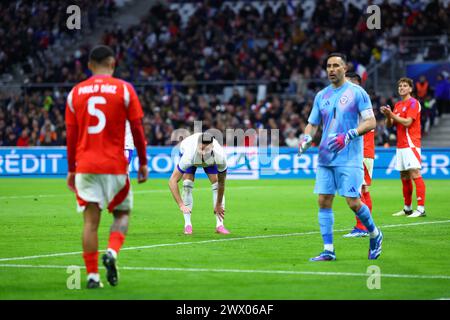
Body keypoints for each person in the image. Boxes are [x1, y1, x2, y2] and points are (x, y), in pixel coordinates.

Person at [65, 45, 148, 289]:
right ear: (113, 64)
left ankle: (92, 277)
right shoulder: (124, 89)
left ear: (89, 66)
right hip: (115, 165)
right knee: (121, 214)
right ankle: (112, 251)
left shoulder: (75, 93)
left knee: (90, 223)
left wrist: (71, 169)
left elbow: (71, 136)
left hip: (86, 166)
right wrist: (143, 162)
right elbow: (137, 128)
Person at [298, 53, 383, 261]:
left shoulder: (357, 93)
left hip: (350, 157)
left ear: (345, 68)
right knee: (323, 200)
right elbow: (313, 123)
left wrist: (350, 134)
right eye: (328, 66)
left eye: (336, 65)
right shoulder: (321, 96)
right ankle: (328, 250)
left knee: (353, 202)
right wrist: (306, 138)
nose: (331, 69)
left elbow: (371, 122)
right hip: (326, 157)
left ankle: (375, 233)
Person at [380, 77, 426, 218]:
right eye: (400, 86)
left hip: (411, 143)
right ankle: (407, 208)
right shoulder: (398, 105)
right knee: (404, 175)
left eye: (405, 86)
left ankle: (421, 208)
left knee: (415, 174)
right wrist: (388, 116)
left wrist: (391, 114)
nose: (401, 88)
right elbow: (390, 125)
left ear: (411, 89)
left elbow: (407, 122)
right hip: (400, 145)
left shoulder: (414, 103)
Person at [168, 132, 229, 235]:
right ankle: (187, 225)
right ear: (197, 145)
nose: (203, 153)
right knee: (187, 184)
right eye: (201, 149)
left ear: (212, 147)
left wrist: (218, 204)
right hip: (190, 155)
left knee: (216, 184)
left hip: (211, 160)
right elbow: (172, 181)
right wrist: (181, 204)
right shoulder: (189, 155)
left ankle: (220, 225)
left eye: (206, 150)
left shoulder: (220, 156)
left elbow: (222, 183)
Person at [343, 72, 375, 238]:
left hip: (363, 152)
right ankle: (364, 227)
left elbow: (367, 125)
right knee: (360, 189)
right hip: (358, 153)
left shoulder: (361, 101)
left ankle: (363, 227)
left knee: (361, 190)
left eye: (347, 82)